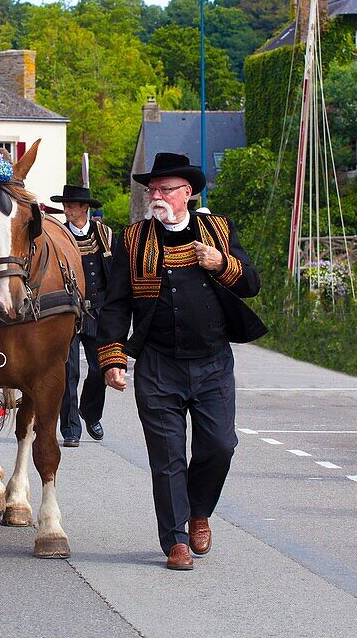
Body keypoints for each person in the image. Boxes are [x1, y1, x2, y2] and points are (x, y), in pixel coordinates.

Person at [97, 152, 265, 571]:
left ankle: (200, 511)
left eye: (165, 189)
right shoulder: (133, 239)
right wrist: (112, 357)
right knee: (167, 457)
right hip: (157, 365)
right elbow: (115, 304)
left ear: (187, 194)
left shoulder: (218, 230)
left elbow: (252, 284)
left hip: (212, 364)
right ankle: (175, 542)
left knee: (221, 446)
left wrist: (221, 263)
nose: (156, 195)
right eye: (152, 189)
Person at [50, 184, 114, 447]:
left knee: (101, 369)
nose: (67, 210)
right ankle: (70, 429)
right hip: (67, 310)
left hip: (97, 310)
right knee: (69, 370)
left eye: (72, 205)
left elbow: (115, 271)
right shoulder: (58, 235)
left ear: (85, 208)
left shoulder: (104, 233)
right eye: (65, 205)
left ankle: (91, 413)